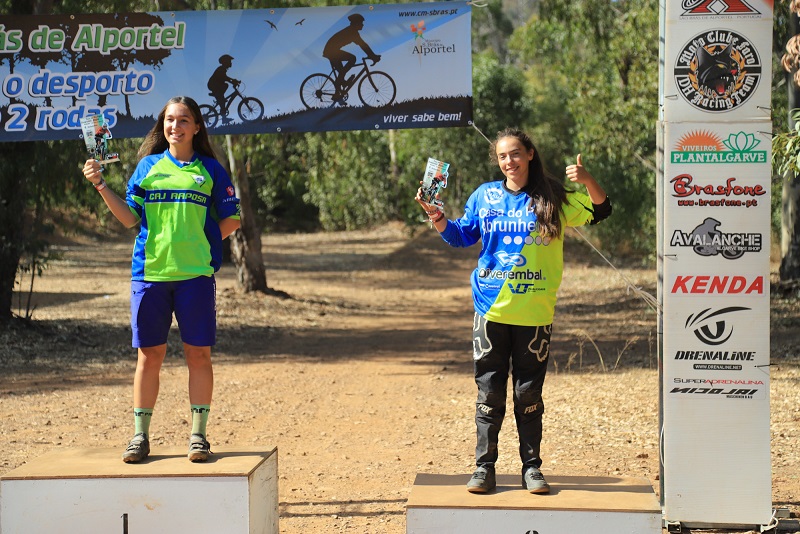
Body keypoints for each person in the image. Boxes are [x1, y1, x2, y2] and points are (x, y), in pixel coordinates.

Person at [415, 128, 612, 494]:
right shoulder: (484, 196)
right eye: (504, 156)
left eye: (516, 153)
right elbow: (461, 236)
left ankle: (531, 468)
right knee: (489, 391)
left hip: (535, 312)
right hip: (490, 310)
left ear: (530, 154)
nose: (510, 161)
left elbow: (602, 210)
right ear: (498, 162)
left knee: (528, 394)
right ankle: (484, 468)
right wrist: (436, 216)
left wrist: (587, 180)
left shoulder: (552, 196)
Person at [82, 96, 241, 463]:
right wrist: (100, 185)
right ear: (163, 125)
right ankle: (140, 437)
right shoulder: (147, 167)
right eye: (170, 120)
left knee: (198, 355)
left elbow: (232, 220)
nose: (176, 126)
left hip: (196, 277)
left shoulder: (211, 171)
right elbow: (128, 220)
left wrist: (201, 243)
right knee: (149, 356)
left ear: (196, 127)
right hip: (149, 274)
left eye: (183, 120)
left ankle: (198, 437)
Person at [322, 13, 381, 102]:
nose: (362, 25)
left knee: (342, 72)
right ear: (356, 23)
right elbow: (363, 45)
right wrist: (373, 56)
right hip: (331, 51)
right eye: (361, 23)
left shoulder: (352, 31)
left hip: (331, 50)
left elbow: (363, 45)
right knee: (352, 58)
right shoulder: (352, 32)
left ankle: (338, 91)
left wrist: (372, 56)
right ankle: (340, 84)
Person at [207, 54, 240, 122]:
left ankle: (224, 117)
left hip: (216, 85)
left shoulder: (223, 69)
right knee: (225, 86)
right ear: (225, 62)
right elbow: (224, 78)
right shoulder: (221, 69)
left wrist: (233, 81)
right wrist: (233, 81)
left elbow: (225, 78)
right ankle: (220, 97)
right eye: (229, 61)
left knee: (222, 100)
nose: (231, 63)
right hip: (213, 85)